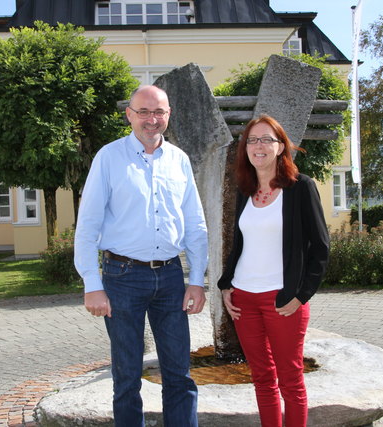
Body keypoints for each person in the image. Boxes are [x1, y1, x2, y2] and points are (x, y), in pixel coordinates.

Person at [74, 85, 208, 427]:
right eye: (144, 112)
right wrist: (92, 283)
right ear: (130, 115)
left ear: (168, 115)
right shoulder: (108, 157)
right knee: (127, 376)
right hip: (121, 278)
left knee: (179, 374)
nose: (152, 119)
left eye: (159, 111)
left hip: (170, 278)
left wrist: (196, 281)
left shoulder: (179, 160)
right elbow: (87, 225)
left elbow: (194, 223)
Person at [217, 114, 329, 427]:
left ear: (281, 147)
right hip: (244, 301)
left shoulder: (300, 188)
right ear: (245, 149)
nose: (259, 145)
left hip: (283, 300)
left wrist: (301, 295)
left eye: (267, 139)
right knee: (262, 379)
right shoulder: (245, 189)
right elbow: (239, 243)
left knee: (291, 381)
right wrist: (226, 286)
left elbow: (320, 247)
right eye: (252, 140)